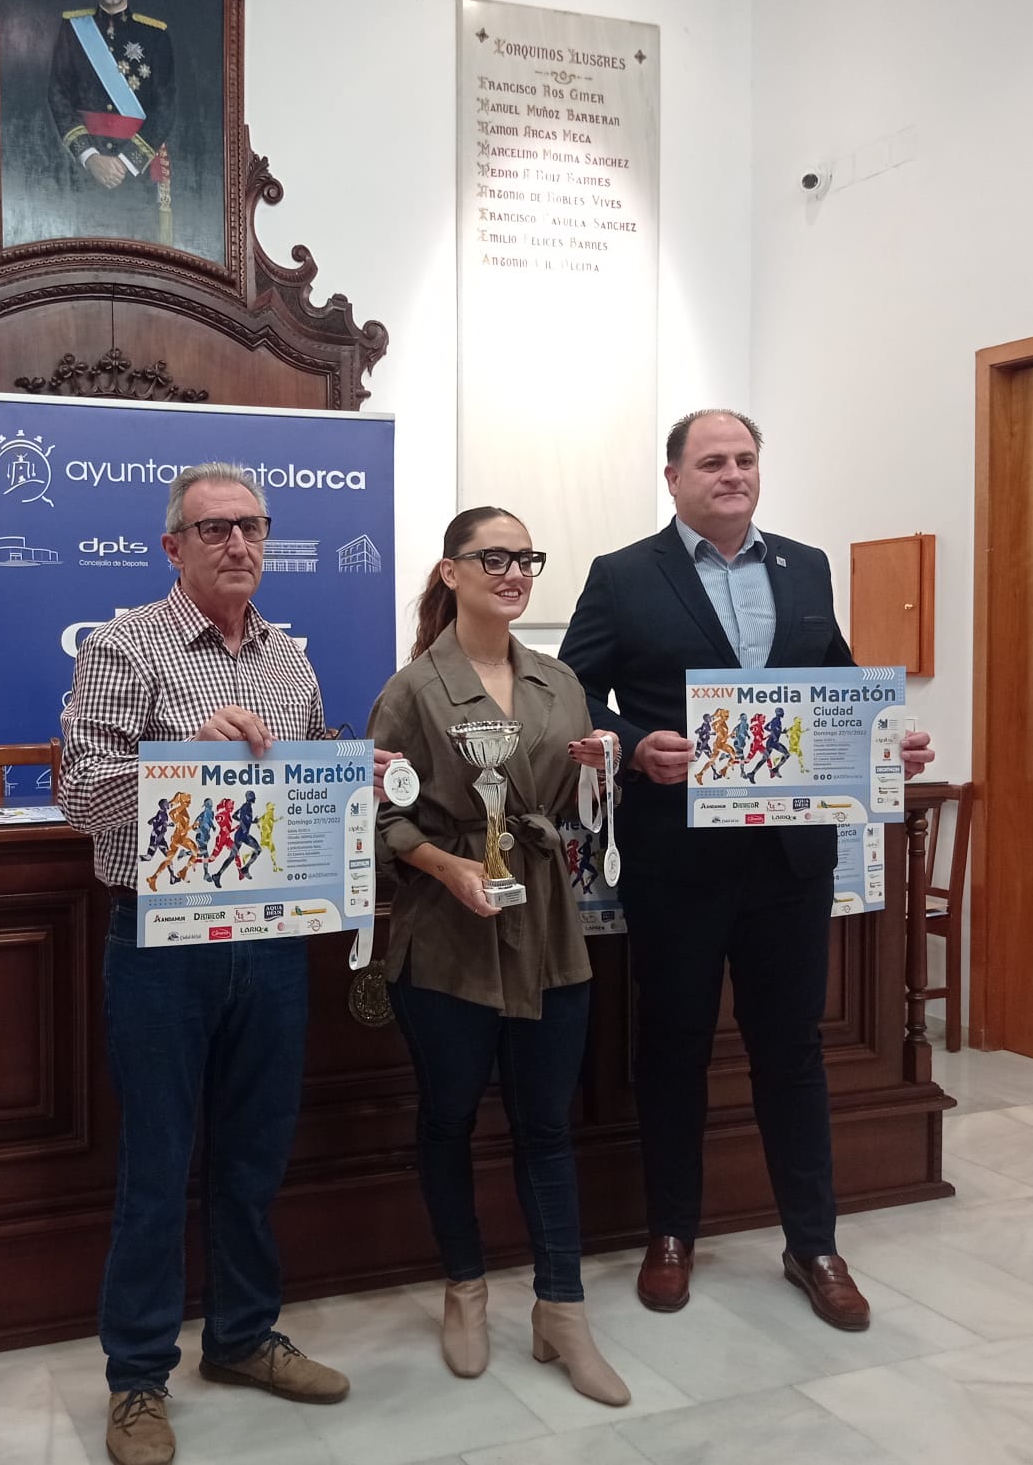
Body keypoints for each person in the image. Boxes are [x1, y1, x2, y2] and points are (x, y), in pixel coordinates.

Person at [559, 409, 934, 1332]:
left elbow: (837, 683)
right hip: (676, 857)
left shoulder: (804, 566)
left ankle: (813, 1243)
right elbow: (572, 690)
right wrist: (634, 743)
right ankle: (671, 1233)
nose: (733, 474)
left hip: (790, 858)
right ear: (675, 477)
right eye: (713, 462)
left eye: (746, 460)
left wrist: (887, 743)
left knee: (792, 1053)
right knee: (675, 1047)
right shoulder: (622, 574)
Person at [60, 462, 391, 1465]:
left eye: (250, 525)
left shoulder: (289, 662)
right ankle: (135, 1378)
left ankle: (242, 1337)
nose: (236, 544)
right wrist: (183, 757)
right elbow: (78, 788)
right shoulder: (126, 646)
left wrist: (355, 773)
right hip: (161, 940)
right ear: (172, 547)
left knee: (252, 1157)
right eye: (212, 530)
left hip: (272, 937)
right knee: (157, 1167)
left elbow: (306, 783)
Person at [366, 506, 633, 1407]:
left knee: (547, 1125)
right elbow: (379, 814)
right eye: (494, 557)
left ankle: (561, 1308)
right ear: (451, 572)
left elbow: (579, 808)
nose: (514, 572)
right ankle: (466, 1290)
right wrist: (444, 867)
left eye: (525, 558)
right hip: (447, 939)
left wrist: (601, 770)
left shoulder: (562, 682)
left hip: (549, 930)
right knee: (448, 1120)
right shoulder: (414, 687)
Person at [48, 0, 177, 244]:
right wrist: (90, 156)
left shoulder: (155, 36)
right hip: (82, 170)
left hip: (136, 173)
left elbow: (165, 107)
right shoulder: (73, 30)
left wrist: (126, 161)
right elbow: (59, 95)